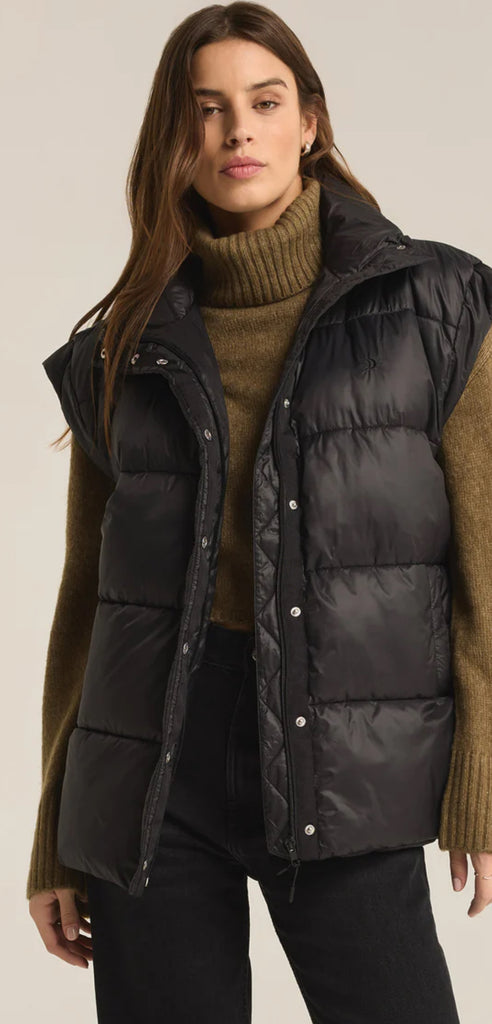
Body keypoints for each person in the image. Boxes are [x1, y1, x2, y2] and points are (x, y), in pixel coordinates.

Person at [27, 3, 492, 1021]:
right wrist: (56, 828)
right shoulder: (121, 350)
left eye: (265, 101)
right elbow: (88, 600)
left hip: (347, 762)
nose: (237, 129)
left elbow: (487, 562)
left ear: (310, 122)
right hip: (152, 776)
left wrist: (483, 776)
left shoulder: (437, 307)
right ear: (176, 140)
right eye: (207, 109)